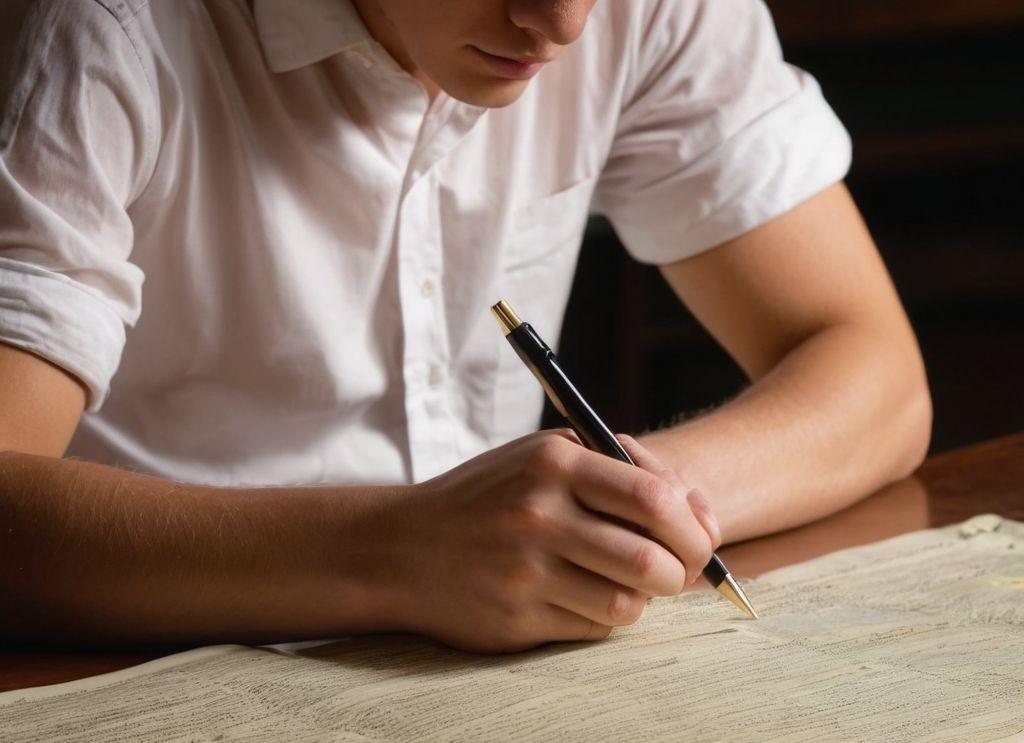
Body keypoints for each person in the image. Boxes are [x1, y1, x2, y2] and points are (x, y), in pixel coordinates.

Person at [0, 0, 931, 652]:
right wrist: (394, 552)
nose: (562, 25)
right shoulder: (102, 30)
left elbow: (876, 375)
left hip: (493, 677)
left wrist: (625, 511)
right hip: (138, 682)